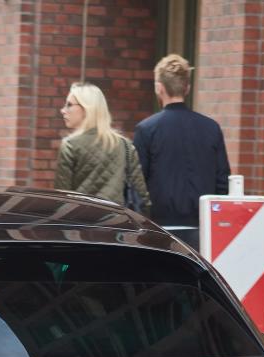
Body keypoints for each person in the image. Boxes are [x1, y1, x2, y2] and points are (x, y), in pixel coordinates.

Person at [133, 55, 231, 252]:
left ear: (159, 87)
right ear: (187, 88)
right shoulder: (211, 128)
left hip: (159, 228)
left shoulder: (146, 129)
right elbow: (223, 181)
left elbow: (137, 184)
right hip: (202, 229)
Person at [54, 82, 149, 215]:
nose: (63, 110)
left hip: (82, 226)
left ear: (87, 108)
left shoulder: (70, 145)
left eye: (69, 104)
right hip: (118, 227)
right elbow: (142, 197)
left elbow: (61, 200)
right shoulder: (125, 145)